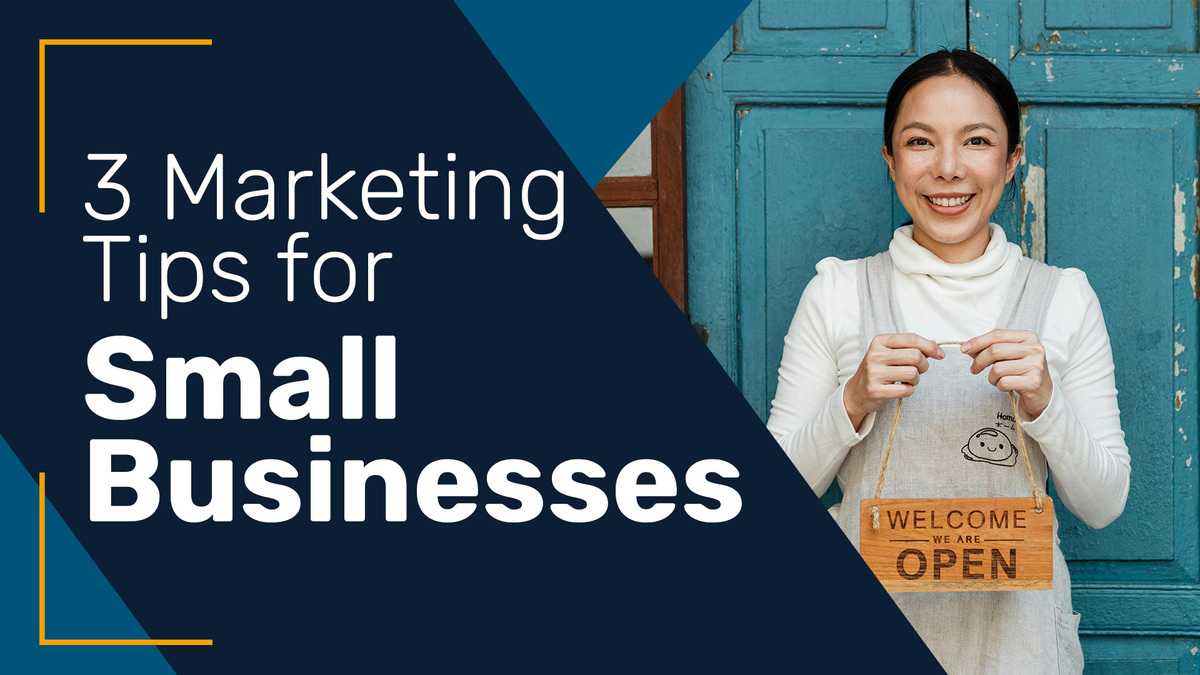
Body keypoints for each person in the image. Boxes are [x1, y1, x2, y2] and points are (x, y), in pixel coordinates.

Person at [766, 49, 1131, 674]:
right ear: (890, 159)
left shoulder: (1063, 296)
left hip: (1019, 650)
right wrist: (851, 402)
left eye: (978, 141)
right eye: (919, 141)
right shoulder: (837, 292)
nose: (948, 168)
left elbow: (1104, 504)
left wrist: (1046, 403)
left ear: (1013, 159)